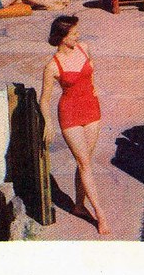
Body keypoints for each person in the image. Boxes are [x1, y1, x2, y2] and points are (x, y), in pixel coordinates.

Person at [40, 15, 110, 235]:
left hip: (92, 108)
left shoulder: (84, 48)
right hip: (69, 114)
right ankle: (101, 215)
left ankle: (79, 205)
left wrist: (95, 88)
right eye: (74, 33)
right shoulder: (52, 66)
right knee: (84, 164)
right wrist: (48, 122)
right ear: (62, 37)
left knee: (85, 161)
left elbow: (91, 73)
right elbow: (44, 99)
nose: (78, 36)